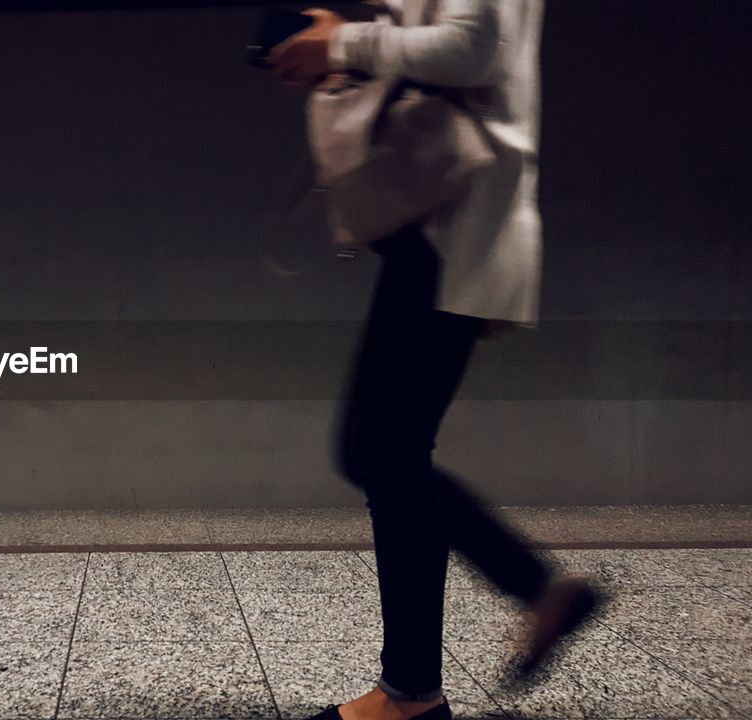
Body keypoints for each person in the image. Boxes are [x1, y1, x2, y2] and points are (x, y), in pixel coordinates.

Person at [269, 2, 602, 720]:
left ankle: (414, 692)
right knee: (382, 450)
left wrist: (344, 40)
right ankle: (511, 612)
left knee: (381, 448)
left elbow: (472, 49)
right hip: (443, 231)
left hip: (454, 233)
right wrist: (341, 46)